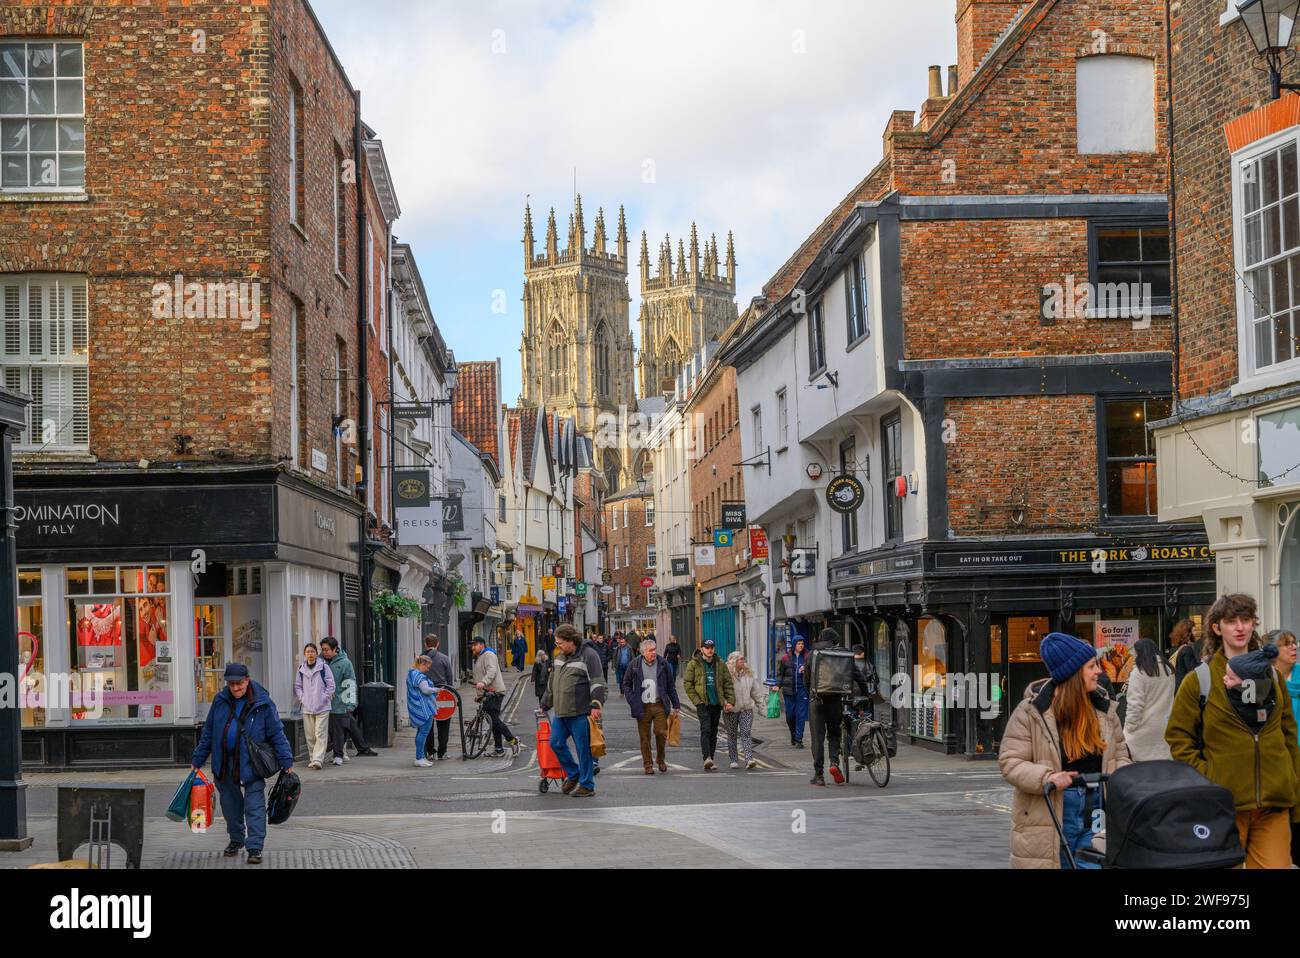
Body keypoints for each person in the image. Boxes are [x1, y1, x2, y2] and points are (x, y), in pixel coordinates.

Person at [1166, 594, 1300, 869]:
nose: (1240, 627)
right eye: (1231, 621)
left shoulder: (1273, 677)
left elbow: (1288, 736)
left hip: (1272, 804)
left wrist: (1293, 785)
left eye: (1246, 620)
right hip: (1223, 806)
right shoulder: (1199, 680)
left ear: (1253, 625)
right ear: (1217, 628)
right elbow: (1178, 738)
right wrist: (1209, 777)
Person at [998, 632, 1132, 869]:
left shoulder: (1104, 709)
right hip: (1051, 811)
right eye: (1092, 666)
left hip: (1096, 809)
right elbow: (1011, 761)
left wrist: (1123, 778)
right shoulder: (1031, 712)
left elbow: (1120, 755)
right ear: (1073, 674)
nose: (1099, 671)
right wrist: (1047, 777)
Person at [191, 663, 294, 865]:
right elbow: (209, 733)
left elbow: (276, 733)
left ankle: (254, 847)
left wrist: (286, 760)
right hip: (224, 763)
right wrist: (198, 759)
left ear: (247, 680)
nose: (236, 688)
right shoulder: (220, 701)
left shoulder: (263, 702)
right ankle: (236, 839)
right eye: (231, 684)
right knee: (230, 806)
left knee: (254, 806)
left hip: (251, 763)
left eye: (239, 684)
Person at [541, 624, 606, 797]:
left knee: (583, 749)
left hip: (580, 712)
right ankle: (574, 773)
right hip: (561, 712)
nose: (558, 646)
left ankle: (587, 785)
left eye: (560, 643)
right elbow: (553, 681)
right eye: (557, 643)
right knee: (555, 742)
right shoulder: (560, 656)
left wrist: (596, 704)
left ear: (571, 641)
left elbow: (598, 681)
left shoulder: (589, 655)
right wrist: (546, 702)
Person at [807, 629, 873, 786]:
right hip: (835, 701)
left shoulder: (813, 654)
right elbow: (858, 676)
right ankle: (834, 763)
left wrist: (810, 694)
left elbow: (806, 678)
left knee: (817, 738)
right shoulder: (843, 654)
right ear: (835, 641)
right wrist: (866, 694)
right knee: (834, 735)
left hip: (816, 701)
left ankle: (819, 775)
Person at [621, 637, 681, 774]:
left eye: (654, 650)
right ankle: (647, 764)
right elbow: (626, 684)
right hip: (642, 706)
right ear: (643, 652)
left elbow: (671, 686)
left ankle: (661, 759)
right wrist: (632, 700)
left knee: (661, 733)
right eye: (650, 650)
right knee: (645, 737)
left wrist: (676, 704)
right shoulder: (634, 664)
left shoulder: (663, 663)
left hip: (659, 704)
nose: (653, 653)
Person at [1266, 630, 1300, 865]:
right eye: (1287, 644)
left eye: (1294, 643)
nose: (1294, 647)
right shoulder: (1266, 683)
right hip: (1279, 755)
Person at [320, 637, 377, 764]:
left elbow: (350, 683)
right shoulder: (320, 662)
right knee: (337, 728)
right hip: (322, 704)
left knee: (339, 729)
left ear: (335, 649)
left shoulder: (345, 663)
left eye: (327, 650)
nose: (324, 652)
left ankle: (339, 754)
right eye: (323, 650)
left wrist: (351, 704)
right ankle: (359, 748)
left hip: (339, 703)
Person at [684, 638, 735, 770]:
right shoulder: (693, 664)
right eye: (707, 647)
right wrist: (697, 701)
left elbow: (728, 683)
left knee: (713, 731)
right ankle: (706, 757)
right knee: (706, 729)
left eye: (712, 647)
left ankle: (710, 758)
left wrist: (730, 701)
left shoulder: (720, 664)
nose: (710, 649)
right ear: (701, 649)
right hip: (703, 704)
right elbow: (688, 684)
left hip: (716, 703)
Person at [1122, 637, 1175, 762]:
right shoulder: (1169, 670)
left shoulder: (1139, 673)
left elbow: (1135, 705)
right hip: (1164, 727)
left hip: (1142, 730)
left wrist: (1128, 728)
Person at [471, 635, 521, 756]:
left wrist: (483, 682)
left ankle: (513, 740)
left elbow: (491, 671)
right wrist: (479, 695)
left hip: (494, 693)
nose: (472, 647)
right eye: (472, 645)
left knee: (494, 721)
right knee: (493, 721)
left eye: (475, 645)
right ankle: (499, 749)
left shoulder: (488, 655)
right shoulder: (481, 656)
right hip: (487, 693)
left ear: (482, 645)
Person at [293, 642, 335, 770]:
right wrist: (302, 699)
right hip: (307, 708)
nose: (310, 654)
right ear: (305, 654)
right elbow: (298, 686)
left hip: (322, 707)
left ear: (316, 653)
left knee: (320, 733)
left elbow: (331, 685)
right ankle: (313, 758)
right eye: (307, 652)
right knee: (310, 735)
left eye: (312, 651)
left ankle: (318, 759)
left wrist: (323, 698)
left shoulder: (324, 667)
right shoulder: (301, 669)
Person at [724, 651, 767, 769]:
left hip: (746, 709)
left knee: (746, 733)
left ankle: (749, 759)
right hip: (731, 709)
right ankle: (733, 759)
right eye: (741, 659)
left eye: (744, 659)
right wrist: (725, 703)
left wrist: (762, 707)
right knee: (732, 734)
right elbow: (722, 691)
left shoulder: (749, 674)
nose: (744, 661)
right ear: (734, 661)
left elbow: (756, 692)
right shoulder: (726, 674)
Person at [421, 635, 455, 761]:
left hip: (426, 695)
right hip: (442, 694)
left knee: (427, 725)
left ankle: (430, 752)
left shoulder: (421, 659)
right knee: (444, 723)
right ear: (438, 644)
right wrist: (450, 693)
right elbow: (449, 678)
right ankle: (442, 752)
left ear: (425, 644)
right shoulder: (444, 658)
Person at [776, 637, 810, 748]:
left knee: (801, 715)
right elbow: (780, 674)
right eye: (799, 643)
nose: (801, 645)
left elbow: (813, 671)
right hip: (788, 691)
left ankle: (799, 739)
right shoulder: (785, 658)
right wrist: (777, 685)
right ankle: (793, 734)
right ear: (794, 645)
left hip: (802, 690)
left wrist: (806, 670)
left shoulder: (807, 657)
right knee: (790, 715)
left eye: (802, 643)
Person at [407, 656, 440, 767]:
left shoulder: (411, 674)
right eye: (427, 666)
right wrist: (437, 689)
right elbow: (425, 690)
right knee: (424, 732)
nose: (428, 669)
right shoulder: (418, 675)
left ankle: (420, 756)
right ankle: (419, 758)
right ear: (422, 664)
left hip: (417, 707)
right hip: (424, 709)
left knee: (420, 732)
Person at [1169, 618, 1200, 688]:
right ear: (1188, 633)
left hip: (1175, 685)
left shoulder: (1173, 649)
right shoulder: (1187, 649)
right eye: (1194, 630)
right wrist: (1203, 662)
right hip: (1184, 687)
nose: (1195, 633)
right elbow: (1192, 670)